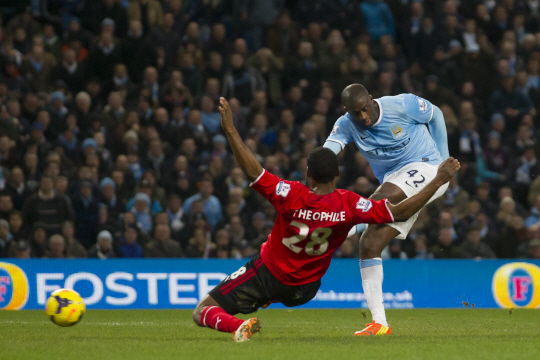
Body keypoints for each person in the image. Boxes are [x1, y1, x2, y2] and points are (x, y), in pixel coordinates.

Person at [192, 97, 459, 342]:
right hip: (306, 289)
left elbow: (254, 172)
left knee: (203, 310)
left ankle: (237, 326)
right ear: (337, 174)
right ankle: (372, 317)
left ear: (308, 174)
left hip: (269, 274)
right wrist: (438, 179)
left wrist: (230, 130)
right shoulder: (350, 204)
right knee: (359, 230)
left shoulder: (291, 194)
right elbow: (399, 211)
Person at [323, 84, 449, 335]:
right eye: (356, 113)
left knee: (381, 198)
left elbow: (435, 114)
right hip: (397, 181)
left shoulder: (402, 105)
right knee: (369, 242)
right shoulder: (346, 124)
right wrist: (316, 172)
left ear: (371, 100)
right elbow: (329, 152)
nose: (363, 117)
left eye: (365, 109)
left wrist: (443, 163)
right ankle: (380, 323)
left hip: (427, 168)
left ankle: (337, 229)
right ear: (346, 111)